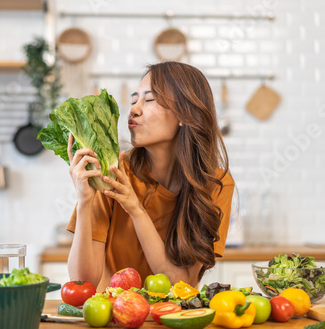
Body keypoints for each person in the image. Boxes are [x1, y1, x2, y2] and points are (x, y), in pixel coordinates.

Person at [66, 61, 235, 292]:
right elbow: (82, 282)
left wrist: (135, 209)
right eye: (134, 99)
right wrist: (85, 202)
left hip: (174, 320)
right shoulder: (111, 173)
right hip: (113, 320)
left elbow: (181, 284)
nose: (134, 109)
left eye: (150, 99)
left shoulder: (215, 184)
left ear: (185, 114)